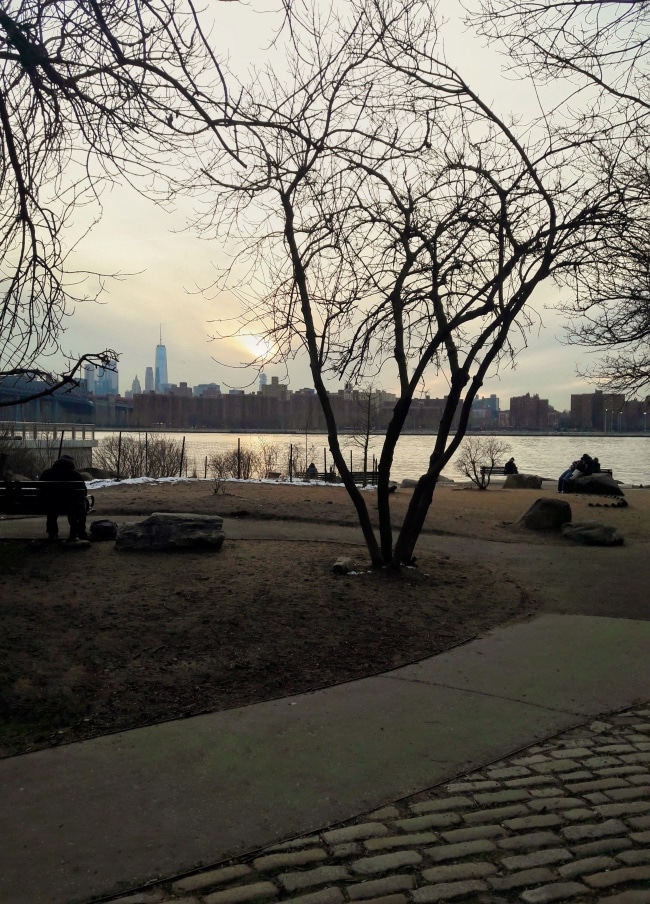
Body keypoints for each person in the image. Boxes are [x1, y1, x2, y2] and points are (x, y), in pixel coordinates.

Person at [40, 455, 88, 541]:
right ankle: (79, 533)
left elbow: (40, 490)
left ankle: (52, 533)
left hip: (50, 505)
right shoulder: (75, 475)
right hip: (71, 506)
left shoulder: (46, 473)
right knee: (78, 508)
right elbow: (83, 492)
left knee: (52, 509)